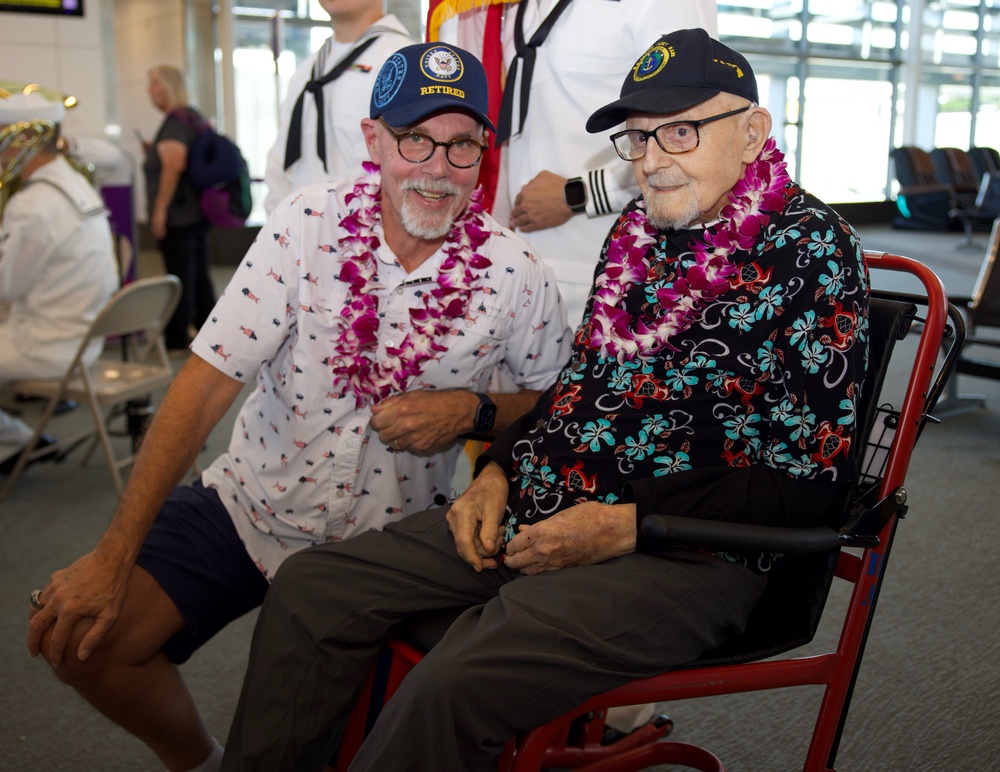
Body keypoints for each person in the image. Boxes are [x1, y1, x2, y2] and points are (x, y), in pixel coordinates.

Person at [219, 28, 872, 771]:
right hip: (546, 505)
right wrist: (497, 469)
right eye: (639, 137)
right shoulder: (637, 231)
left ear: (753, 132)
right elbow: (577, 390)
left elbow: (810, 484)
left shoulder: (812, 247)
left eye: (680, 132)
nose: (653, 159)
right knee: (313, 587)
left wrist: (632, 525)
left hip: (691, 554)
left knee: (457, 679)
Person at [26, 42, 570, 772]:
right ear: (374, 139)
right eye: (416, 140)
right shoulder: (303, 225)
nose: (438, 168)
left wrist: (472, 409)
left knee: (353, 751)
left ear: (484, 152)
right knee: (81, 637)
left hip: (392, 541)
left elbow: (556, 404)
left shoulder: (516, 272)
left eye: (462, 145)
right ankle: (199, 761)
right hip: (252, 503)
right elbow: (204, 386)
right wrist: (113, 552)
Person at [491, 0, 718, 327]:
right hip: (511, 273)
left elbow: (693, 131)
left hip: (607, 276)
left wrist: (579, 194)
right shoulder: (511, 7)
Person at [0, 92, 118, 474]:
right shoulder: (76, 184)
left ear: (23, 140)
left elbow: (7, 287)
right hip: (84, 335)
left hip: (47, 344)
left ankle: (14, 442)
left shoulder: (33, 203)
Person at [263, 0, 413, 214]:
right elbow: (280, 168)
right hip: (300, 235)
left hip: (367, 238)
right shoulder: (307, 70)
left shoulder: (402, 62)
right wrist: (279, 235)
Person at [143, 64, 217, 350]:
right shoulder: (193, 118)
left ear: (169, 86)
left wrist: (159, 208)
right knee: (198, 274)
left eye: (154, 84)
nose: (150, 91)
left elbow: (174, 165)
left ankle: (177, 335)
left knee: (179, 276)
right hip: (198, 211)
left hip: (179, 215)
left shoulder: (174, 122)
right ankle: (208, 329)